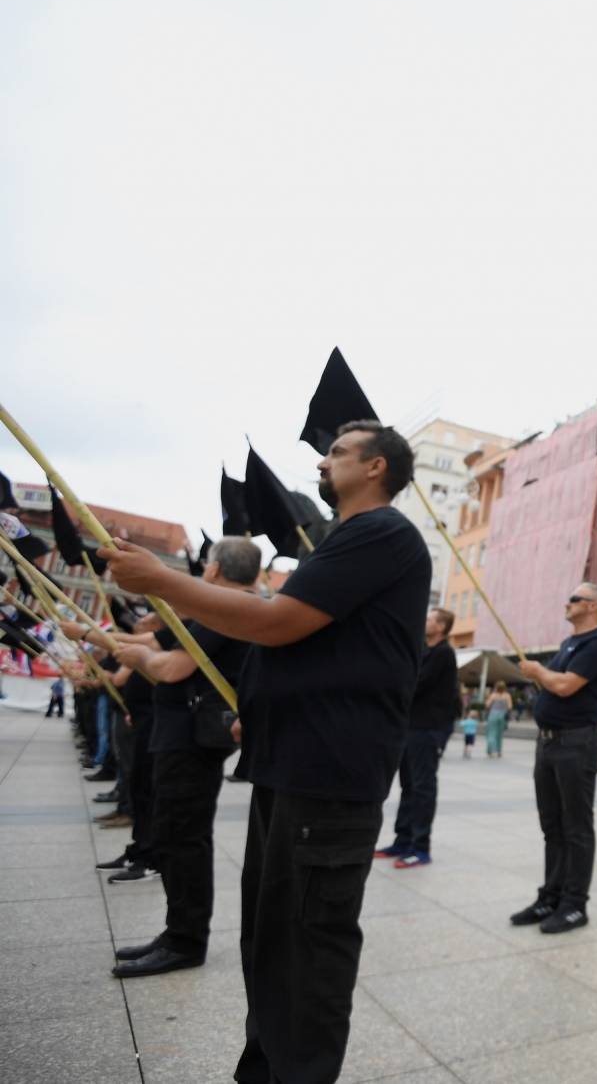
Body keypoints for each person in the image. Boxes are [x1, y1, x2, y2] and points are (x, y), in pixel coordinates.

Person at [103, 419, 430, 1084]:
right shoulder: (345, 541)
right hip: (294, 768)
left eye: (339, 451)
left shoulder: (381, 533)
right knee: (271, 944)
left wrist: (162, 580)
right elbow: (305, 641)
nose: (325, 458)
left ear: (375, 469)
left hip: (327, 778)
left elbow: (278, 623)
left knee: (305, 953)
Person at [107, 536, 259, 976]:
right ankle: (177, 931)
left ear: (214, 570)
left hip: (192, 739)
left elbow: (174, 666)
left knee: (183, 837)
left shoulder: (225, 608)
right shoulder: (223, 607)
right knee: (176, 835)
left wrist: (138, 658)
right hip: (182, 735)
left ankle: (185, 940)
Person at [509, 581, 597, 934]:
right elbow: (553, 683)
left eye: (575, 599)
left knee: (576, 827)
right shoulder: (569, 643)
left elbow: (566, 685)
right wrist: (540, 674)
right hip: (550, 743)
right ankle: (550, 896)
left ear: (593, 608)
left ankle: (574, 904)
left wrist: (539, 671)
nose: (567, 603)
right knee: (552, 826)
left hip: (576, 744)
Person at [378, 607, 460, 868]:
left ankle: (420, 847)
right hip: (411, 727)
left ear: (441, 627)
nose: (425, 621)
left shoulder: (443, 654)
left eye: (430, 619)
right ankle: (402, 840)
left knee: (422, 787)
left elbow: (414, 683)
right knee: (408, 786)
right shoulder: (425, 651)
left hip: (428, 729)